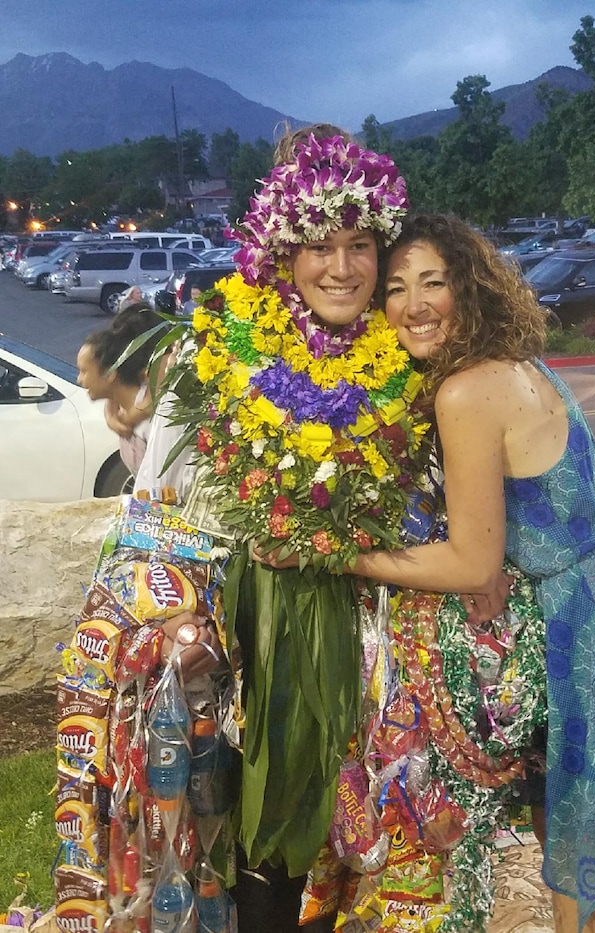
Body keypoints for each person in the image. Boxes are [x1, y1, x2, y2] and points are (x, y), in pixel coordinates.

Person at [341, 214, 595, 932]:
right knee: (593, 882)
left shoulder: (465, 391)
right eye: (398, 287)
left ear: (468, 288)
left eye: (433, 282)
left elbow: (472, 560)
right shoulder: (518, 362)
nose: (413, 304)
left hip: (585, 640)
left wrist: (342, 555)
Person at [133, 124, 424, 933]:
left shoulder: (403, 353)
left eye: (360, 244)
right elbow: (158, 493)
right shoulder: (218, 348)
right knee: (240, 821)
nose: (342, 267)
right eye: (318, 245)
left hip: (362, 631)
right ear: (281, 252)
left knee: (334, 827)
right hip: (239, 630)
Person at [77, 306, 164, 474]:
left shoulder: (154, 421)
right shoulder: (120, 408)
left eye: (84, 371)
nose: (79, 379)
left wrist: (130, 417)